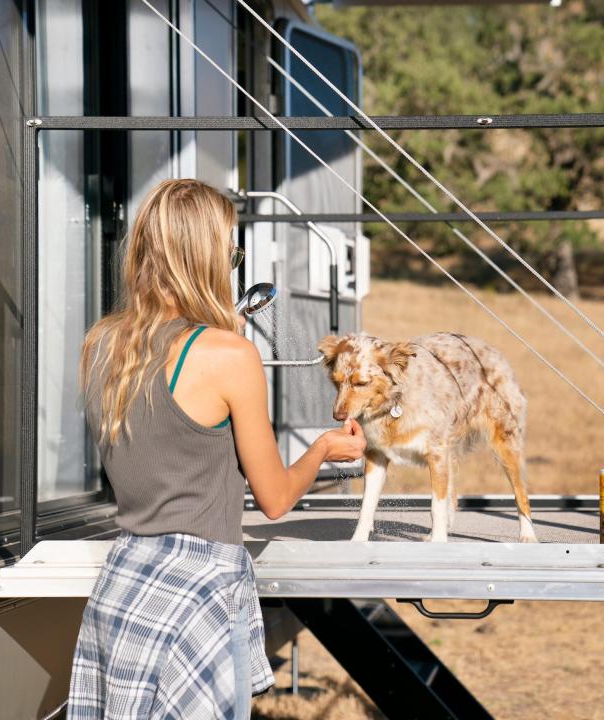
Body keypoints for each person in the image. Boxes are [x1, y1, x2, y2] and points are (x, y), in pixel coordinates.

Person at [67, 178, 366, 718]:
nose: (233, 263)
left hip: (123, 580)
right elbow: (273, 497)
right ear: (205, 256)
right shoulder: (229, 353)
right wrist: (322, 449)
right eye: (232, 250)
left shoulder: (100, 344)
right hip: (195, 594)